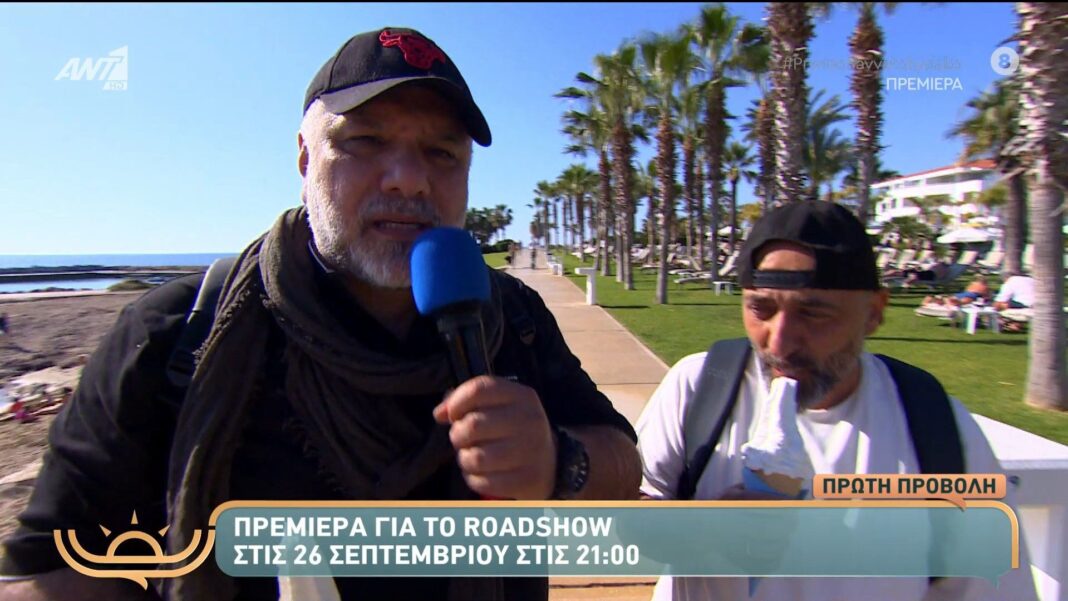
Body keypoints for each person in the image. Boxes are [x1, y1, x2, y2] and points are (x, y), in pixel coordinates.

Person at [0, 27, 640, 601]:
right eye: (365, 141)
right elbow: (51, 570)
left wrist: (560, 461)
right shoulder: (176, 333)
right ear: (305, 159)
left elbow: (625, 469)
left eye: (442, 153)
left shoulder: (513, 318)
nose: (409, 179)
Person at [636, 201, 1038, 601]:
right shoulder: (700, 386)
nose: (780, 342)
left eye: (813, 312)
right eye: (761, 308)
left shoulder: (935, 427)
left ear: (874, 313)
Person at [922, 274, 990, 308]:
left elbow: (966, 290)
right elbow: (986, 296)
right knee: (961, 302)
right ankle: (947, 302)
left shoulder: (972, 283)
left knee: (953, 299)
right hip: (972, 295)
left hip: (964, 294)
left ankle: (934, 300)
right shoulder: (985, 286)